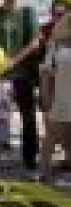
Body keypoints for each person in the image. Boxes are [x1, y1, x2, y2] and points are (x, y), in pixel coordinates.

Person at [0, 0, 42, 172]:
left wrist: (14, 61)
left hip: (22, 74)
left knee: (28, 116)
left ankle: (30, 158)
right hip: (0, 75)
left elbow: (35, 43)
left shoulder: (27, 13)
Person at [39, 10, 71, 183]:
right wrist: (45, 99)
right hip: (60, 98)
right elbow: (46, 74)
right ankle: (44, 173)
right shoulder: (56, 45)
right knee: (52, 135)